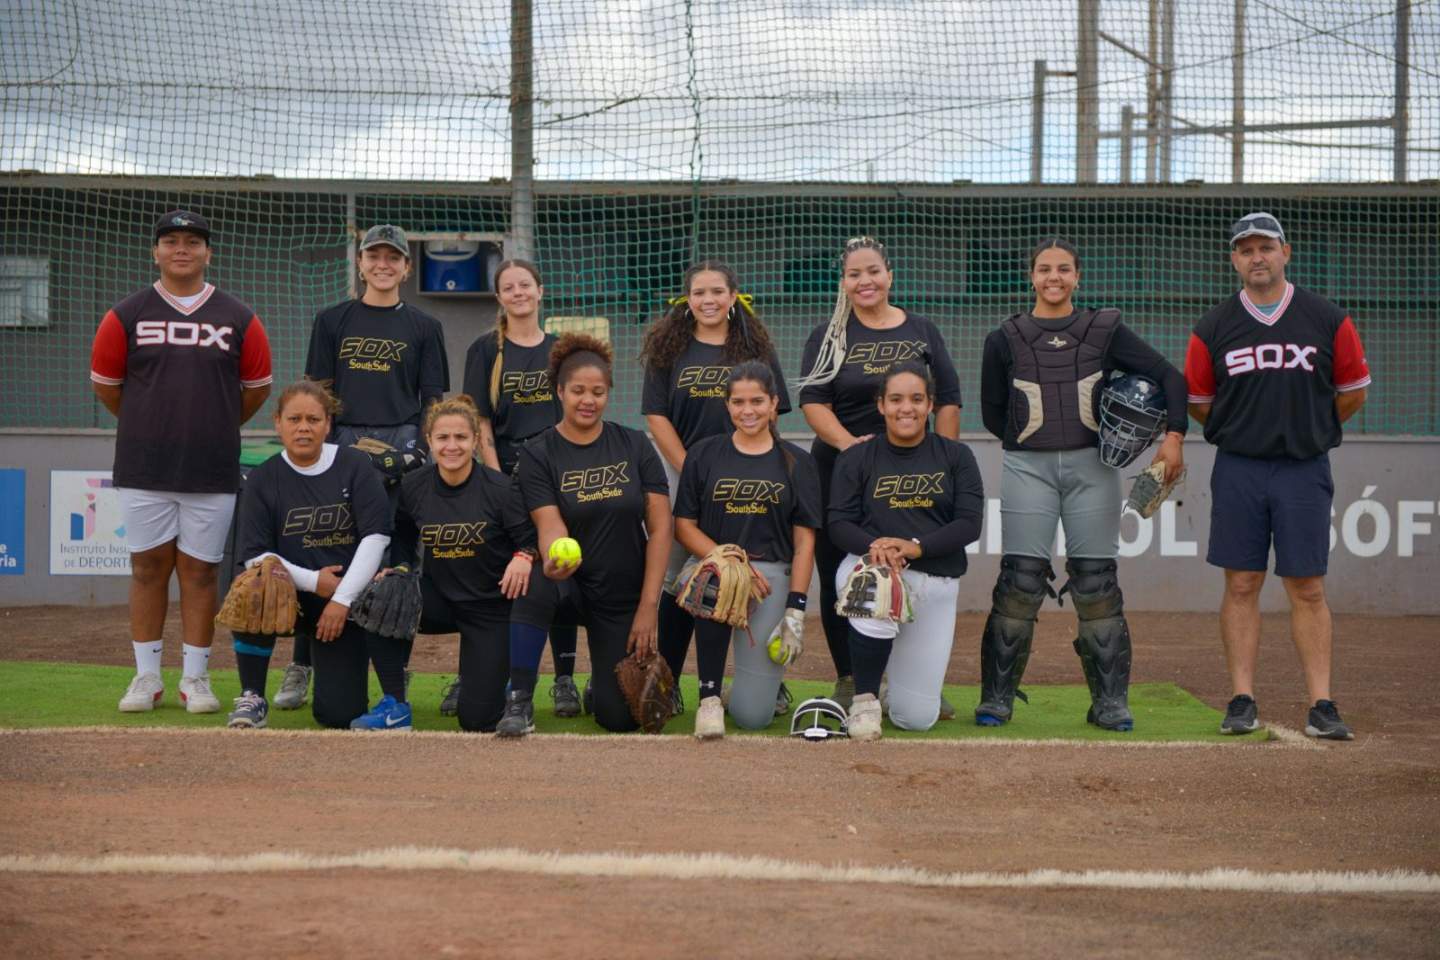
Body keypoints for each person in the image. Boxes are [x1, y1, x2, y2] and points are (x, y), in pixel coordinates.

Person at [975, 237, 1186, 732]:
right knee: (1019, 581)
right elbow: (991, 412)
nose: (1054, 277)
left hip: (1094, 467)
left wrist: (1174, 438)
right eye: (1045, 268)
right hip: (1028, 467)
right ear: (1031, 276)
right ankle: (997, 699)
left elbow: (1170, 378)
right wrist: (1034, 442)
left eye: (1064, 269)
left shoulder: (1104, 330)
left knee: (1096, 583)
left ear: (1077, 276)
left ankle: (1110, 703)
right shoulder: (1003, 338)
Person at [1185, 212, 1370, 740]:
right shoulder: (1213, 326)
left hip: (1303, 467)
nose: (1257, 257)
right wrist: (1245, 429)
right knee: (1242, 581)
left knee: (1307, 586)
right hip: (1240, 467)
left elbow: (1353, 392)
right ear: (1234, 260)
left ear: (1285, 252)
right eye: (1246, 250)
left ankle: (1321, 705)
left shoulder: (1327, 318)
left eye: (1266, 247)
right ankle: (1242, 699)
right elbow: (1200, 402)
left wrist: (1310, 428)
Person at [90, 209, 273, 715]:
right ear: (156, 251)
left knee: (200, 573)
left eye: (192, 241)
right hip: (144, 465)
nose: (181, 249)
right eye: (170, 241)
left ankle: (196, 679)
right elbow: (107, 385)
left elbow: (257, 388)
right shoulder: (126, 314)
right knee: (147, 568)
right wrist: (151, 422)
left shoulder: (238, 317)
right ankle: (147, 678)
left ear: (208, 252)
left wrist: (212, 425)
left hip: (211, 468)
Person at [273, 224, 448, 711]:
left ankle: (396, 666)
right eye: (374, 256)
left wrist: (419, 451)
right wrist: (329, 450)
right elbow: (317, 397)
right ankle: (303, 663)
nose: (383, 265)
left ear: (406, 267)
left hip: (402, 440)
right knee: (326, 548)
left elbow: (433, 399)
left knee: (397, 559)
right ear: (360, 262)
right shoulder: (333, 319)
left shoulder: (424, 326)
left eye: (393, 257)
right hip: (344, 440)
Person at [796, 236, 962, 713]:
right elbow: (813, 402)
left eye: (873, 271)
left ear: (890, 274)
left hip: (913, 472)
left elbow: (948, 399)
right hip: (841, 471)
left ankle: (912, 680)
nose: (865, 281)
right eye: (854, 274)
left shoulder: (922, 330)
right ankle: (851, 678)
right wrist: (852, 448)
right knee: (841, 574)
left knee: (913, 568)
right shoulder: (829, 335)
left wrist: (943, 459)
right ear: (843, 282)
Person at [499, 333, 672, 736]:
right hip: (570, 585)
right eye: (578, 390)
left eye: (598, 391)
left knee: (619, 719)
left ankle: (599, 682)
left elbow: (661, 527)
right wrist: (553, 560)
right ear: (560, 391)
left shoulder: (634, 444)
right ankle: (519, 700)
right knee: (534, 580)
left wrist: (649, 606)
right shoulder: (539, 452)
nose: (588, 400)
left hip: (620, 591)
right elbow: (549, 525)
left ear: (609, 393)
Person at [641, 261, 792, 714]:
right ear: (687, 299)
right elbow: (656, 415)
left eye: (717, 291)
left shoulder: (755, 347)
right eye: (699, 292)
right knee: (678, 581)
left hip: (747, 473)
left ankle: (764, 683)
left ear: (733, 296)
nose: (708, 300)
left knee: (747, 571)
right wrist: (692, 469)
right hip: (682, 471)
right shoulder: (669, 348)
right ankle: (668, 682)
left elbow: (771, 413)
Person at [225, 382, 397, 730]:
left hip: (342, 599)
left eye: (313, 419)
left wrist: (342, 598)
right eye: (294, 419)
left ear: (328, 424)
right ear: (278, 423)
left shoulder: (354, 465)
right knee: (253, 585)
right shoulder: (262, 478)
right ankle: (252, 695)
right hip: (287, 592)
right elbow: (255, 556)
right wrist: (313, 580)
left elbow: (376, 537)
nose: (303, 427)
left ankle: (323, 677)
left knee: (339, 715)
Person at [828, 364, 985, 741]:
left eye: (916, 399)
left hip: (935, 579)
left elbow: (969, 524)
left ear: (930, 405)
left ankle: (891, 691)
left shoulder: (956, 455)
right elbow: (838, 523)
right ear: (881, 405)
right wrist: (876, 547)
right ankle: (865, 700)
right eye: (896, 399)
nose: (906, 408)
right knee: (876, 581)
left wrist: (916, 547)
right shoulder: (857, 456)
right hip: (871, 565)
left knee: (915, 718)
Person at [672, 361, 821, 738]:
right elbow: (684, 527)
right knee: (717, 578)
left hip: (771, 578)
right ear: (727, 405)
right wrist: (729, 561)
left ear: (773, 404)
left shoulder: (798, 462)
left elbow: (804, 543)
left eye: (757, 401)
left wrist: (795, 609)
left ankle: (749, 693)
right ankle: (709, 699)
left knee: (753, 718)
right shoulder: (704, 454)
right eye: (738, 402)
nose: (747, 410)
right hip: (715, 562)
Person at [458, 259, 579, 719]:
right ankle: (481, 675)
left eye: (525, 285)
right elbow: (480, 420)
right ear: (499, 297)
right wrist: (494, 477)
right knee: (504, 573)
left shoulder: (560, 349)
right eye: (508, 287)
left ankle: (564, 678)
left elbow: (573, 417)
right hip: (506, 473)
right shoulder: (485, 349)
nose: (518, 293)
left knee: (558, 568)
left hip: (556, 474)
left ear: (540, 291)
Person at [388, 395, 538, 732]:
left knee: (477, 720)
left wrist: (524, 556)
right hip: (439, 600)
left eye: (461, 437)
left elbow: (530, 537)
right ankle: (393, 702)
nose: (452, 446)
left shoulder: (501, 489)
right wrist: (400, 568)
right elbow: (402, 533)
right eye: (443, 437)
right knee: (381, 598)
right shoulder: (414, 485)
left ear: (476, 440)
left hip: (490, 608)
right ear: (429, 441)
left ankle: (499, 681)